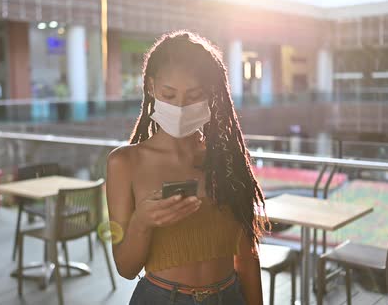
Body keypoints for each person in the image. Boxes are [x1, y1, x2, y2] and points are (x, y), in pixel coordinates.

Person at [106, 30, 268, 305]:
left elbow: (247, 256)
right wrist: (142, 223)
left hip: (229, 296)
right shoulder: (124, 163)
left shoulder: (227, 161)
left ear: (211, 95)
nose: (180, 106)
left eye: (194, 95)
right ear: (152, 87)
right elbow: (126, 268)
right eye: (169, 94)